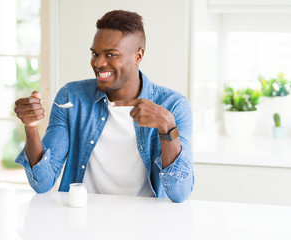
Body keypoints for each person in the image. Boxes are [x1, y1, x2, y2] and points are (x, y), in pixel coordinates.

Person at [14, 10, 194, 203]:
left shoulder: (173, 106)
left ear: (138, 55)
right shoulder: (71, 97)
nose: (98, 63)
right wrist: (31, 127)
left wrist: (167, 128)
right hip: (81, 218)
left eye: (111, 54)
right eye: (95, 53)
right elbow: (42, 182)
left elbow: (179, 193)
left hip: (145, 223)